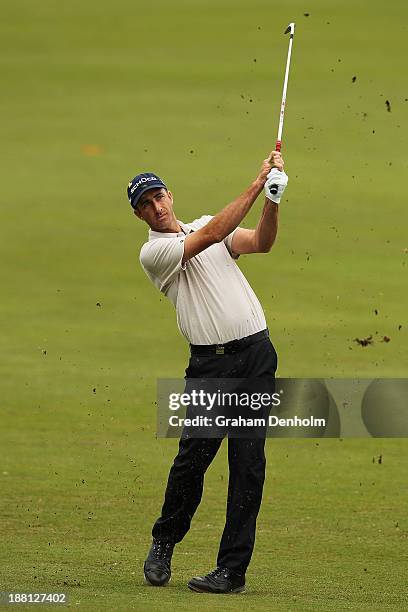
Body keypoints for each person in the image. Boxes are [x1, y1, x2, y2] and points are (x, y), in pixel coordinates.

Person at [126, 151, 288, 594]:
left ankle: (231, 571)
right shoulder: (155, 252)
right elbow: (216, 232)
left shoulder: (201, 223)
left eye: (159, 196)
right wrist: (256, 183)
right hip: (210, 365)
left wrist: (273, 197)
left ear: (169, 195)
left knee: (248, 465)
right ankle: (164, 541)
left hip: (257, 356)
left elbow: (261, 242)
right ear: (140, 214)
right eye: (146, 204)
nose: (157, 207)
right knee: (192, 461)